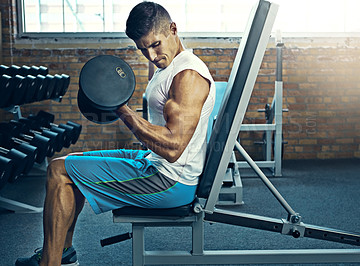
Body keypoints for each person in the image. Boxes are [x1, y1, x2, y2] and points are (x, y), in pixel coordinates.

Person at [16, 2, 215, 265]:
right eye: (143, 49)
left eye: (155, 45)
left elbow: (173, 147)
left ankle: (50, 263)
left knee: (59, 171)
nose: (152, 55)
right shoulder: (169, 65)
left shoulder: (187, 75)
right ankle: (62, 252)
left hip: (169, 181)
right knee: (66, 163)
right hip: (154, 163)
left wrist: (120, 108)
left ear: (173, 29)